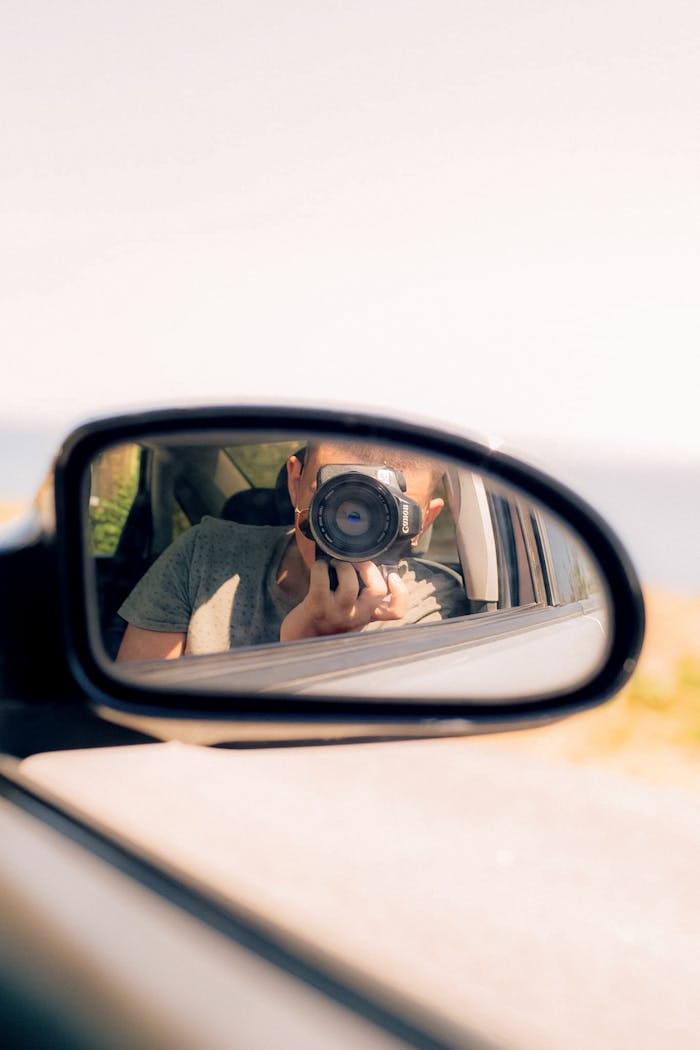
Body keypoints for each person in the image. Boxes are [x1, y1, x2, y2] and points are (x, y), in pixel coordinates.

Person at [116, 440, 467, 662]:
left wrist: (318, 649)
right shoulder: (204, 556)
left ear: (422, 520)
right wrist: (297, 646)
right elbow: (133, 726)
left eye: (387, 510)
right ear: (295, 482)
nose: (356, 527)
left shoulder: (433, 609)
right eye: (336, 498)